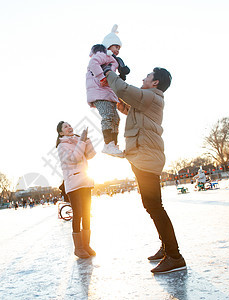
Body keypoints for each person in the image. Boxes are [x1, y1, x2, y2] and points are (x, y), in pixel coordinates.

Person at [103, 66, 186, 273]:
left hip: (147, 158)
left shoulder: (151, 97)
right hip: (141, 157)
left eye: (148, 76)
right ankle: (167, 248)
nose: (143, 78)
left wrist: (108, 72)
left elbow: (124, 91)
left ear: (155, 82)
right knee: (151, 206)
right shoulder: (145, 101)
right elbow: (125, 106)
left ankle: (174, 256)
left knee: (155, 206)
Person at [86, 24, 129, 157]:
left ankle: (113, 145)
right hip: (99, 92)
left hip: (108, 93)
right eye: (116, 47)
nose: (118, 50)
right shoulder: (102, 54)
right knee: (108, 116)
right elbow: (93, 64)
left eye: (119, 48)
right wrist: (101, 77)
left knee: (116, 119)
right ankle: (108, 144)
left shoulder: (113, 60)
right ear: (109, 45)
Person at [56, 121, 96, 259]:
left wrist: (87, 140)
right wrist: (82, 142)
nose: (69, 127)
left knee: (86, 213)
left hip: (85, 180)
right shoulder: (62, 146)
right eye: (65, 127)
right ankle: (78, 248)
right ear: (61, 133)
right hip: (74, 183)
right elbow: (74, 158)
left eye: (69, 125)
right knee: (78, 214)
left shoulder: (78, 140)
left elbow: (90, 155)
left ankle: (86, 245)